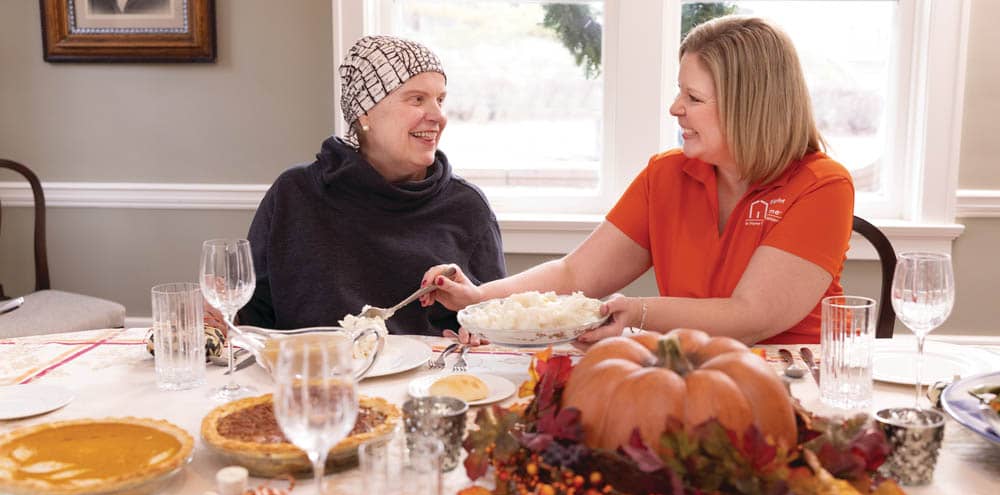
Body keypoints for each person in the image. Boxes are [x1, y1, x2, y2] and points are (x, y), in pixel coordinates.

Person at [421, 16, 853, 345]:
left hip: (799, 381)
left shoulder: (821, 186)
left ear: (750, 107)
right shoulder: (666, 175)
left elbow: (753, 314)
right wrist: (483, 298)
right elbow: (577, 271)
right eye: (679, 91)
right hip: (693, 370)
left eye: (694, 98)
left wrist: (640, 313)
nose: (675, 108)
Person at [239, 35, 506, 336]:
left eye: (440, 100)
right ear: (364, 114)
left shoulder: (466, 207)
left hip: (426, 381)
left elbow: (492, 322)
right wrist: (219, 319)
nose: (438, 116)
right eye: (417, 99)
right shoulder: (295, 193)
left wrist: (479, 335)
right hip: (312, 377)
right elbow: (252, 316)